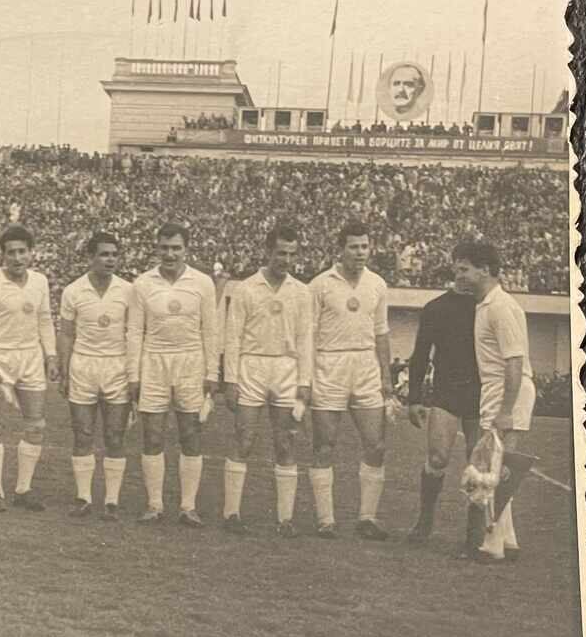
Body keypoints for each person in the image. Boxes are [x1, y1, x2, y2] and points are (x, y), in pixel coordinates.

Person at [127, 223, 220, 527]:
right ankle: (154, 504)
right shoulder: (142, 284)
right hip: (154, 361)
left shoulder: (203, 283)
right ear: (157, 248)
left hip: (190, 362)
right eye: (165, 247)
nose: (170, 253)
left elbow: (211, 329)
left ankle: (187, 507)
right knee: (152, 434)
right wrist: (134, 374)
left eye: (176, 248)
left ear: (185, 249)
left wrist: (211, 371)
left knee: (190, 433)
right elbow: (134, 331)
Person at [222, 225, 312, 536]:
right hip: (251, 367)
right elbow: (231, 337)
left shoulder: (301, 292)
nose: (285, 259)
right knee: (244, 439)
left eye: (291, 253)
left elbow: (305, 340)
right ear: (268, 252)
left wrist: (305, 381)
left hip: (286, 369)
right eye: (280, 253)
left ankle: (284, 519)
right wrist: (230, 380)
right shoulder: (246, 289)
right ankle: (231, 513)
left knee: (285, 441)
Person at [308, 221, 394, 540]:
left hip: (366, 366)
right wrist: (307, 376)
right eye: (354, 247)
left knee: (376, 443)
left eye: (364, 246)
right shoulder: (320, 285)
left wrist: (386, 378)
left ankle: (367, 518)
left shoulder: (377, 285)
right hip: (330, 364)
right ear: (341, 249)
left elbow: (382, 332)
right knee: (324, 444)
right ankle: (326, 519)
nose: (360, 253)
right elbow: (308, 334)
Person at [453, 241, 537, 561]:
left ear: (484, 270)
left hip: (506, 389)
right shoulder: (487, 304)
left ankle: (490, 546)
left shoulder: (500, 307)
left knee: (491, 468)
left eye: (464, 269)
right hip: (500, 388)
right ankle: (508, 541)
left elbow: (514, 362)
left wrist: (505, 409)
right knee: (498, 466)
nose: (458, 275)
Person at [0, 225, 60, 512]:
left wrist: (50, 355)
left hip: (31, 359)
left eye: (22, 251)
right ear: (2, 255)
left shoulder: (39, 281)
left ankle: (23, 489)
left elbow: (45, 320)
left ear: (31, 253)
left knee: (36, 424)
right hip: (1, 358)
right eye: (11, 252)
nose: (16, 257)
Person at [58, 232, 133, 520]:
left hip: (116, 366)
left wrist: (133, 372)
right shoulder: (73, 291)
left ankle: (112, 501)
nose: (110, 259)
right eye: (104, 254)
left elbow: (135, 332)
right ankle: (84, 497)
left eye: (114, 254)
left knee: (115, 434)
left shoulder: (128, 290)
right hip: (83, 365)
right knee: (83, 432)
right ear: (91, 257)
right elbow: (66, 333)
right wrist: (64, 370)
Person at [405, 278, 482, 543]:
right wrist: (413, 398)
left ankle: (475, 533)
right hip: (446, 391)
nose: (464, 273)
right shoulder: (436, 308)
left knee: (479, 463)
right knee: (437, 457)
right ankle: (424, 522)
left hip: (481, 393)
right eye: (459, 267)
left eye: (468, 268)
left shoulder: (488, 305)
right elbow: (420, 354)